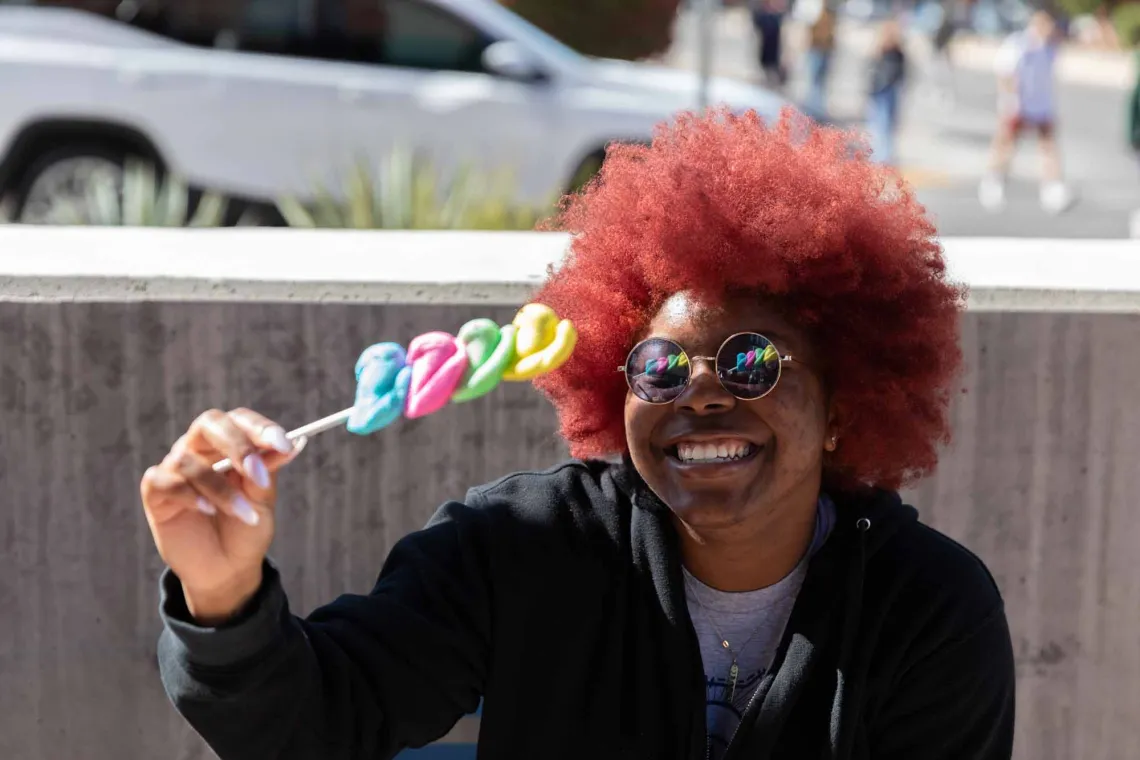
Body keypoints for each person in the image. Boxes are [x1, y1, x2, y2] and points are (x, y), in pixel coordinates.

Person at [143, 108, 1016, 760]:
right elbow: (315, 720)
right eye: (659, 368)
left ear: (841, 410)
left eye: (751, 362)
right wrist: (221, 594)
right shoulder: (518, 548)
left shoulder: (928, 611)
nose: (702, 393)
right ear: (613, 387)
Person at [978, 10, 1076, 214]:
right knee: (1006, 144)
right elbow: (1005, 73)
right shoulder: (1018, 44)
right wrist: (1010, 101)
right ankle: (993, 182)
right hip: (1018, 104)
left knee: (1048, 146)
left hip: (1041, 105)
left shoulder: (1051, 46)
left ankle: (1052, 188)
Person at [866, 19, 907, 166]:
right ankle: (883, 154)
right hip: (888, 91)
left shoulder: (884, 51)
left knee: (879, 123)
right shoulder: (896, 52)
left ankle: (881, 155)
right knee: (885, 124)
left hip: (882, 91)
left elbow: (875, 72)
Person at [803, 5, 837, 120]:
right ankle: (813, 110)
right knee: (815, 82)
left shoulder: (827, 12)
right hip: (817, 49)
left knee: (818, 82)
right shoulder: (817, 10)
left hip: (821, 49)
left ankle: (815, 110)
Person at [751, 0, 788, 88]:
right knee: (767, 68)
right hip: (766, 51)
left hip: (775, 52)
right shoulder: (764, 16)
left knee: (772, 70)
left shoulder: (778, 17)